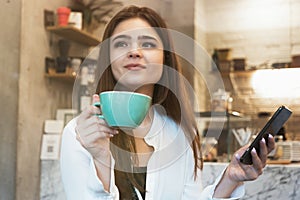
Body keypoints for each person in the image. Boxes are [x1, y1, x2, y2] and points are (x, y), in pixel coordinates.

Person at [60, 5, 275, 200]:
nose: (134, 51)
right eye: (122, 43)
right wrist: (100, 158)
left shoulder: (180, 132)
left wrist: (230, 179)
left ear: (166, 59)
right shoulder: (80, 134)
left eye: (147, 43)